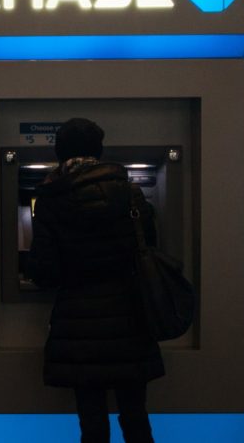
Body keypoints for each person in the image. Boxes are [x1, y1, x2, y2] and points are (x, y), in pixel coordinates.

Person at [27, 118, 164, 443]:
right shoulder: (130, 193)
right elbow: (149, 248)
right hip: (130, 319)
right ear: (99, 151)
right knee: (136, 416)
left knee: (92, 424)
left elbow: (44, 271)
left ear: (60, 152)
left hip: (79, 327)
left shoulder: (50, 199)